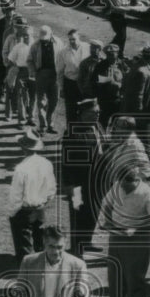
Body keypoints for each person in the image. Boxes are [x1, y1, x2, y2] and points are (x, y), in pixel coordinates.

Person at [98, 167, 150, 297]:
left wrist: (136, 229)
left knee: (134, 278)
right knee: (115, 275)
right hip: (116, 236)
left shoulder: (148, 193)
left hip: (137, 239)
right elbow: (106, 204)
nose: (123, 188)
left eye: (127, 185)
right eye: (121, 184)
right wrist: (107, 222)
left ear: (136, 180)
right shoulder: (117, 186)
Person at [61, 99, 105, 256]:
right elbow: (65, 161)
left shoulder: (98, 127)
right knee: (78, 215)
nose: (97, 115)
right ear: (82, 114)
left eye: (98, 112)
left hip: (97, 181)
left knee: (93, 212)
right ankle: (76, 249)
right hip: (78, 183)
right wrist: (68, 184)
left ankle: (86, 241)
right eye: (94, 113)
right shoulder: (73, 132)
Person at [9, 130, 57, 262]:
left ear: (22, 147)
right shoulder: (46, 163)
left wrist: (13, 211)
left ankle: (27, 266)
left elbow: (16, 193)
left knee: (24, 241)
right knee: (40, 237)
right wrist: (45, 202)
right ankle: (42, 263)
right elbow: (52, 187)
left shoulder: (21, 168)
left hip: (25, 209)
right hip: (40, 208)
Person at [29, 25, 63, 133]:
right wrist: (34, 72)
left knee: (54, 100)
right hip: (41, 74)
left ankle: (50, 122)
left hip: (55, 74)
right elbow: (29, 60)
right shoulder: (35, 45)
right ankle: (43, 125)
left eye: (46, 38)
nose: (44, 41)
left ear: (51, 34)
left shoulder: (59, 43)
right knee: (41, 101)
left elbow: (63, 57)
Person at [93, 43, 127, 129]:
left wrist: (121, 86)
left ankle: (114, 140)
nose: (110, 57)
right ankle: (101, 139)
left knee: (118, 123)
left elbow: (128, 78)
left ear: (117, 53)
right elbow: (93, 80)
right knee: (102, 122)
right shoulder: (100, 65)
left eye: (112, 54)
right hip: (105, 99)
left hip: (118, 99)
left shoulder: (122, 64)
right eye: (108, 55)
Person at [56, 29, 86, 124]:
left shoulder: (88, 48)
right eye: (70, 39)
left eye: (74, 39)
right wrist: (61, 88)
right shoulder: (63, 52)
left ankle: (81, 136)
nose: (72, 41)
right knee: (71, 112)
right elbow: (59, 71)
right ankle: (70, 135)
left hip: (85, 85)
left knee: (84, 111)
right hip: (70, 84)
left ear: (79, 38)